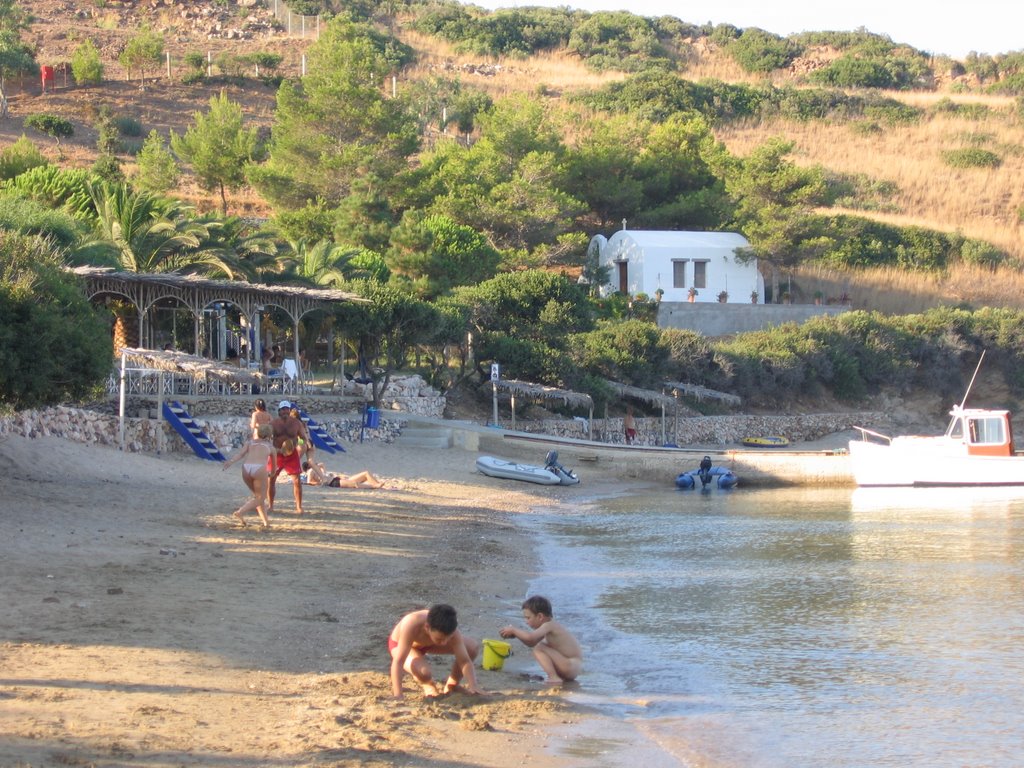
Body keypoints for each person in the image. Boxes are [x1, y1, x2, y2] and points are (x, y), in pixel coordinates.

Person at [389, 604, 483, 700]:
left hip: (430, 644)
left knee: (472, 647)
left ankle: (452, 685)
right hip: (402, 645)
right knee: (424, 673)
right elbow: (398, 661)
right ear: (427, 627)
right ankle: (428, 684)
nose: (444, 643)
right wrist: (398, 694)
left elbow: (464, 661)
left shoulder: (450, 629)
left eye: (448, 638)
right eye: (440, 639)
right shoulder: (411, 623)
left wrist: (473, 685)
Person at [499, 595, 582, 684]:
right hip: (572, 667)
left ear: (540, 616)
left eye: (528, 618)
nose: (526, 621)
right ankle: (556, 677)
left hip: (569, 665)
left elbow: (530, 638)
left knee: (539, 648)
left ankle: (553, 677)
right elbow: (531, 643)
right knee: (540, 646)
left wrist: (513, 630)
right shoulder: (550, 627)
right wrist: (516, 635)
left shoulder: (549, 625)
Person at [221, 423, 276, 529]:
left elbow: (241, 454)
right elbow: (274, 467)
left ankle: (266, 522)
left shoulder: (250, 442)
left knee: (258, 497)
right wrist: (271, 474)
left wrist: (231, 462)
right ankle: (240, 512)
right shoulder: (270, 447)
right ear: (269, 435)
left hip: (246, 468)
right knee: (261, 498)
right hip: (259, 468)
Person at [268, 400, 304, 516]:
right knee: (271, 480)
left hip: (291, 454)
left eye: (286, 409)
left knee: (297, 481)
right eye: (282, 409)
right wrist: (274, 450)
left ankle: (299, 507)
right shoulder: (273, 423)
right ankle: (271, 506)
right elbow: (266, 439)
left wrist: (299, 444)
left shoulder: (296, 423)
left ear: (289, 410)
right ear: (279, 411)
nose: (285, 411)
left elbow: (302, 437)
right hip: (277, 453)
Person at [302, 459, 385, 489]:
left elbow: (322, 464)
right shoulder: (310, 471)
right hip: (333, 483)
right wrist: (320, 482)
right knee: (355, 484)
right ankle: (374, 486)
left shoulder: (315, 469)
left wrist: (323, 473)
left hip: (337, 479)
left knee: (365, 473)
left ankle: (377, 485)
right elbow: (309, 482)